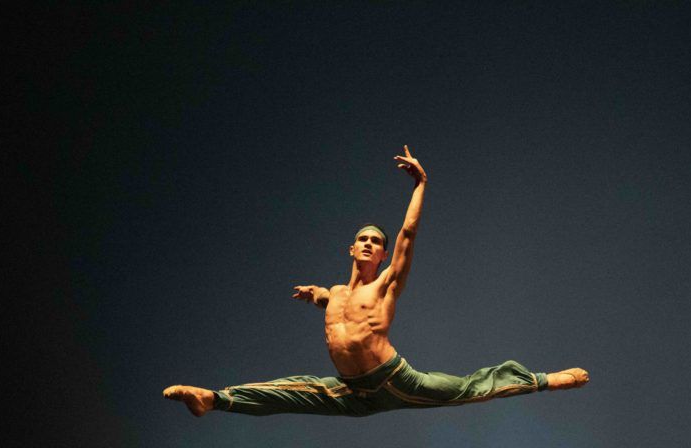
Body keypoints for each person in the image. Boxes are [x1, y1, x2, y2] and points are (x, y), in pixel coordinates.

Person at [163, 145, 588, 418]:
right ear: (351, 249)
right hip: (352, 393)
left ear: (383, 256)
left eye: (376, 243)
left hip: (396, 382)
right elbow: (332, 300)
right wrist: (315, 295)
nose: (369, 244)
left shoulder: (384, 285)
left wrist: (420, 184)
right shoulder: (336, 294)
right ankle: (213, 399)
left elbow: (407, 235)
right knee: (288, 391)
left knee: (468, 388)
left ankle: (545, 379)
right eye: (362, 240)